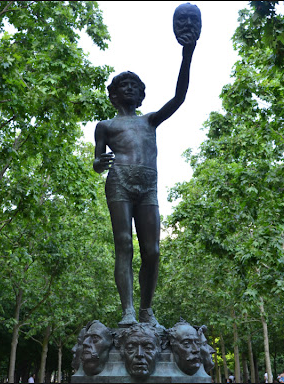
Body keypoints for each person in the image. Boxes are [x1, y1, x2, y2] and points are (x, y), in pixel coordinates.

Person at [92, 4, 198, 328]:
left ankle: (147, 309)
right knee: (124, 244)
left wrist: (188, 53)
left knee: (152, 250)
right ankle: (127, 310)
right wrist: (99, 162)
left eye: (134, 87)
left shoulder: (150, 120)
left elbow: (179, 97)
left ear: (140, 96)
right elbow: (97, 162)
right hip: (120, 180)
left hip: (147, 184)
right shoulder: (105, 126)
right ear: (113, 95)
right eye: (122, 86)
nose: (128, 89)